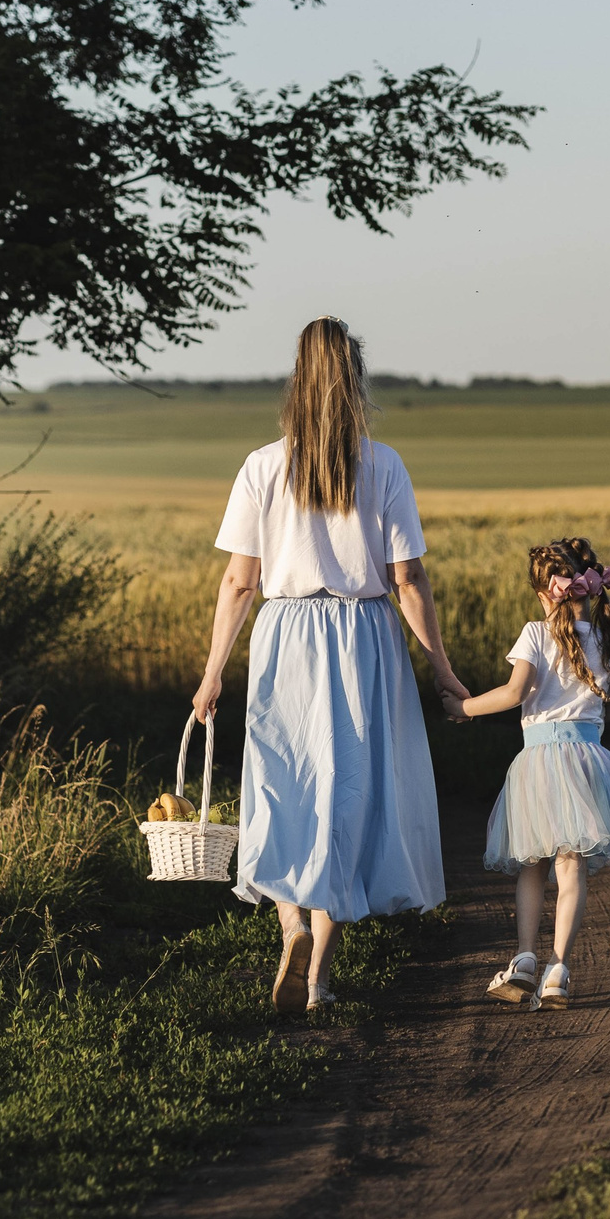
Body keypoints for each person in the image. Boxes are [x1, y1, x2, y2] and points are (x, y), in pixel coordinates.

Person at [193, 318, 467, 1014]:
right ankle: (317, 978)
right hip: (363, 641)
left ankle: (287, 924)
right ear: (355, 378)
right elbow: (408, 582)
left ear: (296, 378)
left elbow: (237, 583)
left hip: (285, 636)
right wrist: (441, 667)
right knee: (347, 798)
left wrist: (212, 670)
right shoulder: (384, 465)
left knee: (282, 786)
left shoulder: (261, 465)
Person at [441, 535, 610, 1008]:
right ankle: (558, 969)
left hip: (538, 761)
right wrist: (588, 711)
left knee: (532, 864)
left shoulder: (535, 634)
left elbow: (515, 692)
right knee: (571, 863)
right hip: (587, 758)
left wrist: (464, 707)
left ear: (546, 594)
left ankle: (523, 958)